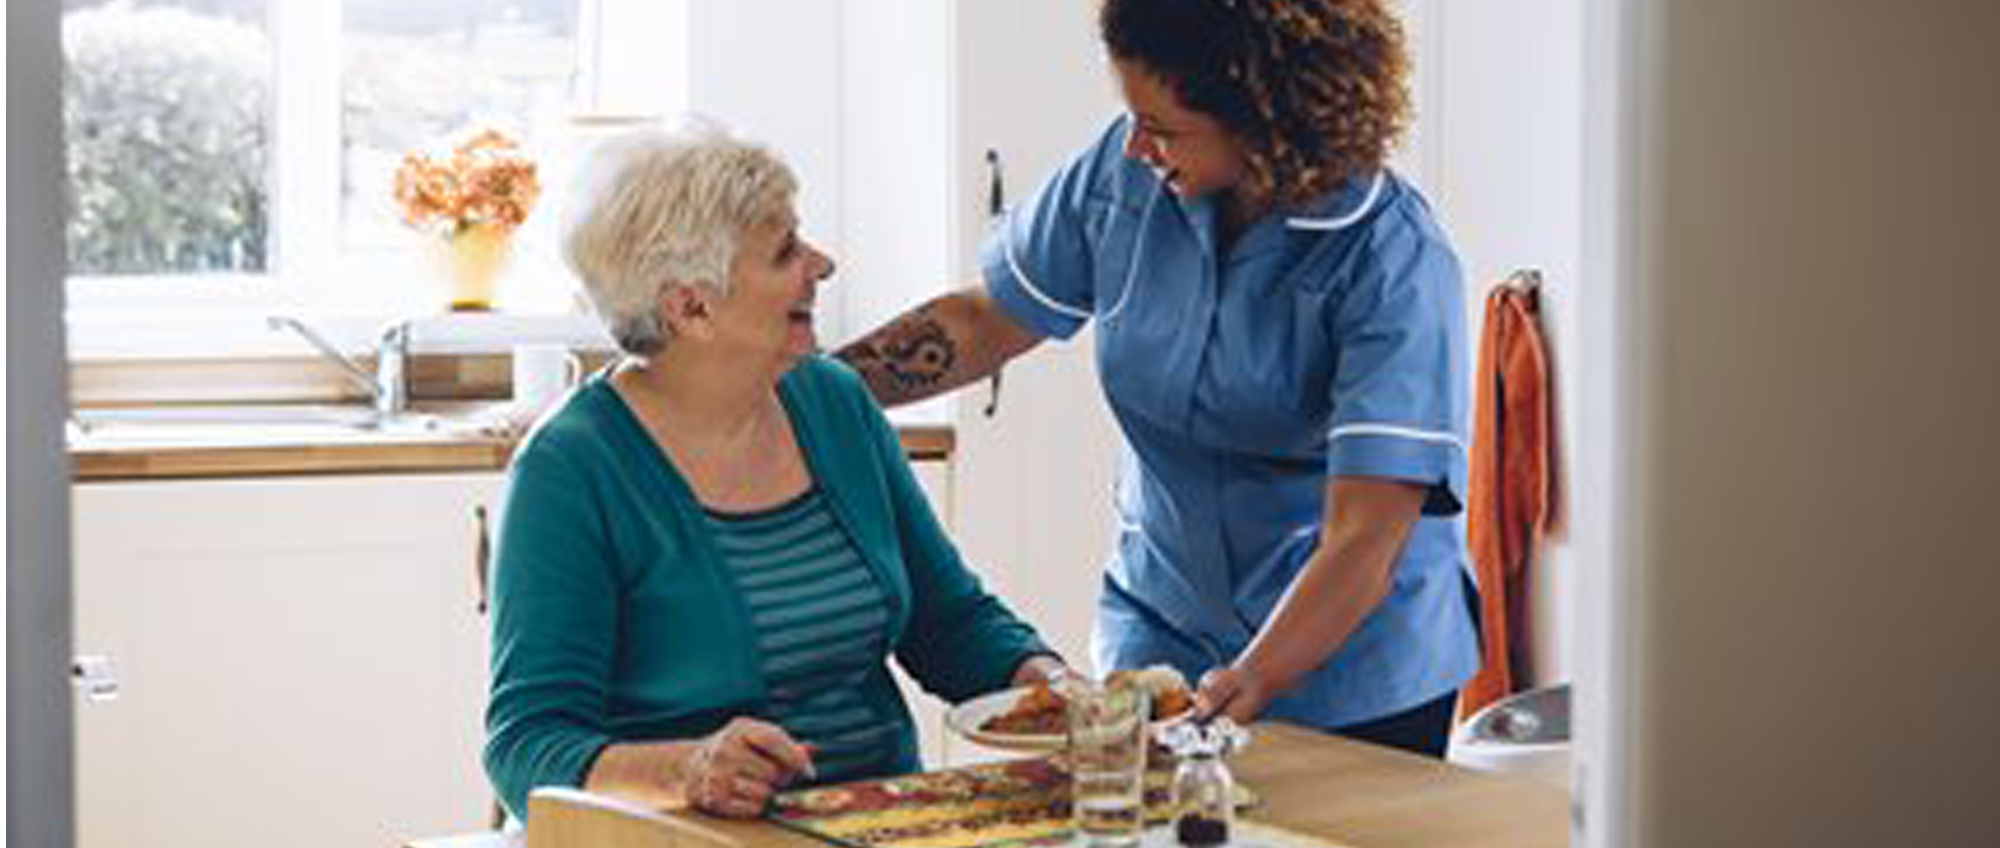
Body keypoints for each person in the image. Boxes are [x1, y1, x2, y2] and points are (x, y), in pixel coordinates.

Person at [835, 0, 1476, 757]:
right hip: (1159, 634)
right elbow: (984, 322)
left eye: (1165, 129)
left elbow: (1365, 535)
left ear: (1267, 121)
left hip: (1353, 675)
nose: (1137, 145)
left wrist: (1256, 677)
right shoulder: (1125, 174)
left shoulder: (1393, 260)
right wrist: (804, 385)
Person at [483, 125, 1063, 821]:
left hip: (875, 824)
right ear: (690, 306)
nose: (822, 265)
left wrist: (1050, 685)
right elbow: (527, 746)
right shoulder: (572, 467)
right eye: (786, 251)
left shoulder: (834, 402)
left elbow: (948, 622)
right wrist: (689, 770)